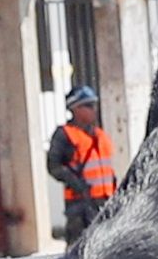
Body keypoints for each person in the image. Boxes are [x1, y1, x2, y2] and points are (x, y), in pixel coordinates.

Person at [44, 82, 117, 243]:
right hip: (80, 204)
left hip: (105, 202)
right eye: (88, 106)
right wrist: (75, 183)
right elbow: (53, 166)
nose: (94, 109)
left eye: (94, 105)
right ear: (75, 109)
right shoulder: (64, 135)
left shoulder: (99, 134)